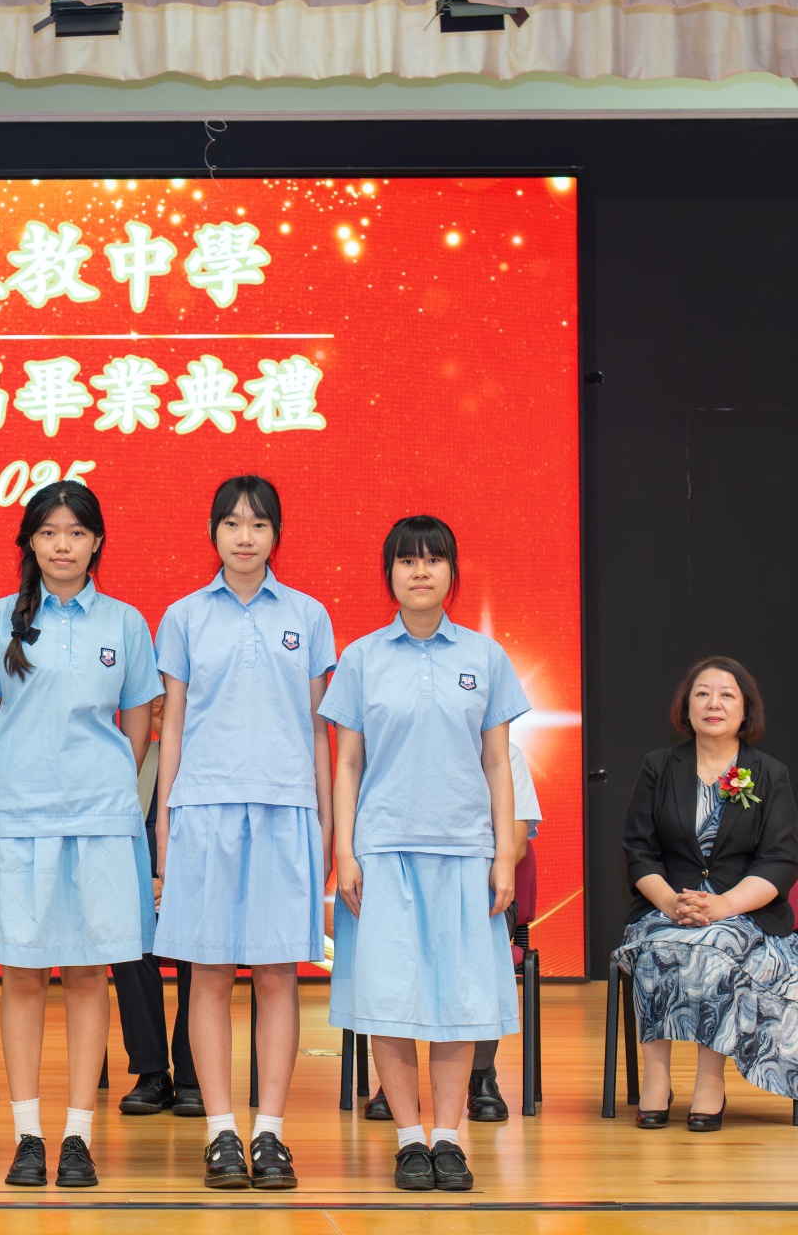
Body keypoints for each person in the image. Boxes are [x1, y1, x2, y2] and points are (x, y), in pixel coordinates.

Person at [0, 481, 159, 1188]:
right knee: (21, 973)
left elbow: (138, 728)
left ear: (97, 540)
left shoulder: (126, 623)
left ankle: (77, 1136)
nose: (63, 545)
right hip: (18, 818)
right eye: (48, 533)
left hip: (98, 821)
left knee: (87, 972)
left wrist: (95, 783)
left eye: (76, 532)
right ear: (30, 543)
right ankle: (28, 1136)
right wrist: (27, 781)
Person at [321, 515, 526, 1193]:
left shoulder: (484, 657)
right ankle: (409, 1140)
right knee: (389, 998)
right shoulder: (361, 658)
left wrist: (502, 854)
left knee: (458, 1002)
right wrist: (346, 852)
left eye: (432, 560)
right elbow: (348, 764)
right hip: (383, 851)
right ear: (389, 574)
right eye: (406, 561)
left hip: (464, 851)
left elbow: (497, 763)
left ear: (451, 573)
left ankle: (448, 1138)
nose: (419, 571)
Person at [150, 475, 334, 1190]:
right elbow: (171, 731)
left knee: (279, 974)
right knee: (209, 972)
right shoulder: (185, 617)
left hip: (286, 808)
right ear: (213, 533)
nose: (245, 536)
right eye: (231, 523)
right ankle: (220, 1131)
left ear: (276, 534)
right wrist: (165, 827)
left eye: (258, 524)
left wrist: (325, 824)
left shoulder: (308, 616)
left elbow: (318, 731)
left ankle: (271, 1133)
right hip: (204, 808)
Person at [614, 656, 798, 1130]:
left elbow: (779, 861)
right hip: (667, 906)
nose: (713, 703)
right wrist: (669, 902)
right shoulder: (660, 766)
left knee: (716, 946)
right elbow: (638, 850)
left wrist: (724, 906)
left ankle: (710, 1081)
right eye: (702, 694)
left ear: (745, 709)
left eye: (726, 695)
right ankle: (656, 1080)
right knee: (655, 946)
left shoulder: (769, 773)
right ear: (687, 706)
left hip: (744, 913)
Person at [365, 739, 542, 1123]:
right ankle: (396, 1083)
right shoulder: (401, 748)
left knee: (470, 948)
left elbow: (516, 843)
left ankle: (481, 1074)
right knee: (397, 948)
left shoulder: (503, 752)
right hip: (412, 889)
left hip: (481, 890)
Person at [112, 695, 202, 1118]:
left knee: (201, 951)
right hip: (142, 889)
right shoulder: (130, 760)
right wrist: (139, 884)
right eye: (155, 701)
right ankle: (151, 1073)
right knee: (128, 942)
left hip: (199, 891)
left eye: (171, 698)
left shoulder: (206, 758)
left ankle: (193, 1076)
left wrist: (179, 885)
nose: (163, 708)